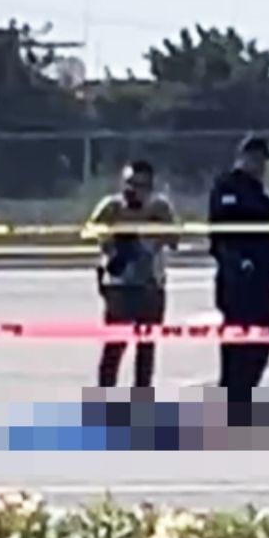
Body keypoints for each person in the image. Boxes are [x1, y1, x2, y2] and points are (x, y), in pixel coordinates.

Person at [87, 160, 177, 388]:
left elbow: (175, 240)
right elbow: (88, 231)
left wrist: (151, 233)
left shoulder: (160, 208)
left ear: (150, 187)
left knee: (146, 350)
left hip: (150, 285)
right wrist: (111, 237)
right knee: (113, 348)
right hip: (119, 286)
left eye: (140, 185)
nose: (133, 190)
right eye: (129, 183)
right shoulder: (112, 207)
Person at [209, 136, 269, 396]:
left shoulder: (260, 194)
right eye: (256, 159)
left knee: (261, 344)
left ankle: (242, 398)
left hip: (263, 282)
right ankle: (233, 400)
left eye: (263, 161)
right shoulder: (226, 187)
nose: (261, 165)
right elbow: (221, 237)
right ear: (244, 157)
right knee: (237, 348)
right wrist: (239, 263)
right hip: (237, 282)